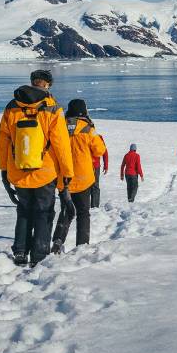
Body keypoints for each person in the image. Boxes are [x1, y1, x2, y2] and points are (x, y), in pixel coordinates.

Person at [0, 69, 74, 268]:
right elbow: (61, 144)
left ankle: (21, 251)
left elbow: (3, 142)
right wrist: (67, 172)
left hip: (18, 168)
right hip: (45, 172)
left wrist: (4, 169)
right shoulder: (52, 108)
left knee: (24, 210)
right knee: (44, 212)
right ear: (47, 85)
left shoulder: (12, 106)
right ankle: (39, 255)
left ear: (32, 82)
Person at [51, 99, 106, 254]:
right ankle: (82, 246)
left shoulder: (59, 126)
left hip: (64, 179)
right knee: (83, 213)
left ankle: (57, 241)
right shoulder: (87, 128)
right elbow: (99, 150)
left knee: (66, 211)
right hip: (83, 178)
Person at [91, 133, 108, 208]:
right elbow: (105, 152)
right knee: (95, 186)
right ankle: (94, 206)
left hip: (87, 166)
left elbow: (104, 152)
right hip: (94, 166)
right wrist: (106, 165)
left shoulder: (81, 135)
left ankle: (92, 206)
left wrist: (106, 165)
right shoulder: (98, 137)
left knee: (86, 187)